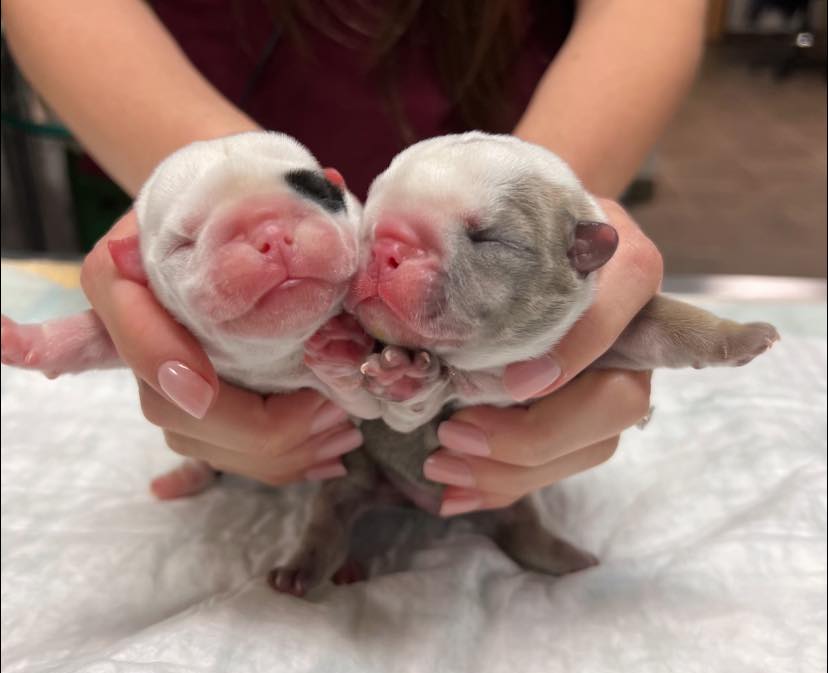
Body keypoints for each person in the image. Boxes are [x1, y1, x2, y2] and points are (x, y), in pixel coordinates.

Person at [4, 0, 705, 516]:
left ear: (335, 194)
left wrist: (539, 214)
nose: (272, 245)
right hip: (176, 125)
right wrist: (208, 189)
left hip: (488, 130)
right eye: (184, 241)